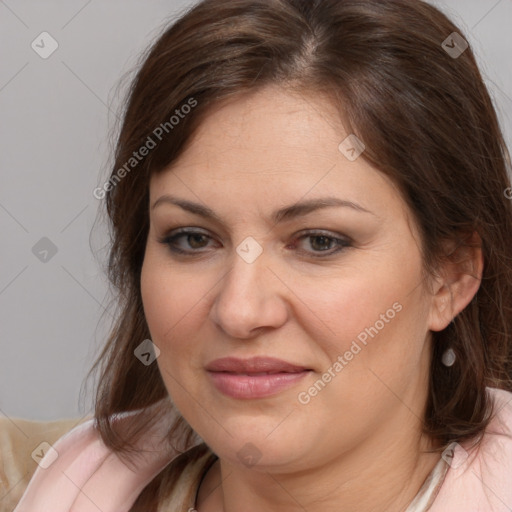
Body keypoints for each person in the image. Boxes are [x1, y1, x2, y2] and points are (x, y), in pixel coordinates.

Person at [2, 0, 512, 510]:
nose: (239, 311)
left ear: (452, 274)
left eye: (319, 241)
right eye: (193, 239)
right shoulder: (41, 483)